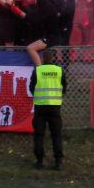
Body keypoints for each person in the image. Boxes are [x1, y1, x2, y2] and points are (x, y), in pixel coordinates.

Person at [26, 39, 66, 170]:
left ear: (42, 59)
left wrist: (38, 96)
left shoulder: (38, 71)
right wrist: (57, 96)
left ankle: (39, 162)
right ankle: (58, 162)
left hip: (40, 106)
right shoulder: (59, 71)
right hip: (55, 107)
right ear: (53, 58)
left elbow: (31, 87)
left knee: (39, 134)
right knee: (56, 134)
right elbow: (64, 86)